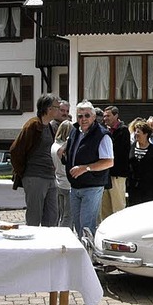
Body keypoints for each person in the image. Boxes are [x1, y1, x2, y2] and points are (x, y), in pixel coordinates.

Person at [10, 93, 62, 227]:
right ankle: (32, 247)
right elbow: (16, 150)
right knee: (34, 216)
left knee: (52, 216)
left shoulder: (50, 126)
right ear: (49, 109)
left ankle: (49, 246)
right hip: (35, 175)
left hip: (50, 176)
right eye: (57, 107)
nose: (60, 110)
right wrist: (23, 173)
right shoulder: (33, 125)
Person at [64, 100, 114, 237]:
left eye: (87, 115)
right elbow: (71, 152)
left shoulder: (102, 135)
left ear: (93, 116)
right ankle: (82, 255)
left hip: (92, 186)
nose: (83, 119)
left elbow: (109, 162)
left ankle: (88, 256)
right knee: (78, 226)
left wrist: (85, 168)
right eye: (80, 116)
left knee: (86, 227)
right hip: (75, 186)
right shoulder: (75, 131)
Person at [100, 105, 131, 222]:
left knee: (118, 207)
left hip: (117, 175)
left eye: (108, 116)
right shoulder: (105, 131)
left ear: (116, 115)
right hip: (105, 174)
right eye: (104, 116)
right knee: (105, 208)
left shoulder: (123, 131)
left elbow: (119, 152)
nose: (105, 118)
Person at [127, 120, 153, 206]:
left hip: (149, 187)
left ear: (146, 134)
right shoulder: (132, 147)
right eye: (135, 131)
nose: (136, 134)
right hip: (133, 186)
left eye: (138, 132)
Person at [51, 120, 74, 228]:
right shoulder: (65, 147)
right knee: (68, 215)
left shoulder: (53, 145)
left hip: (58, 180)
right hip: (67, 182)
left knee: (59, 214)